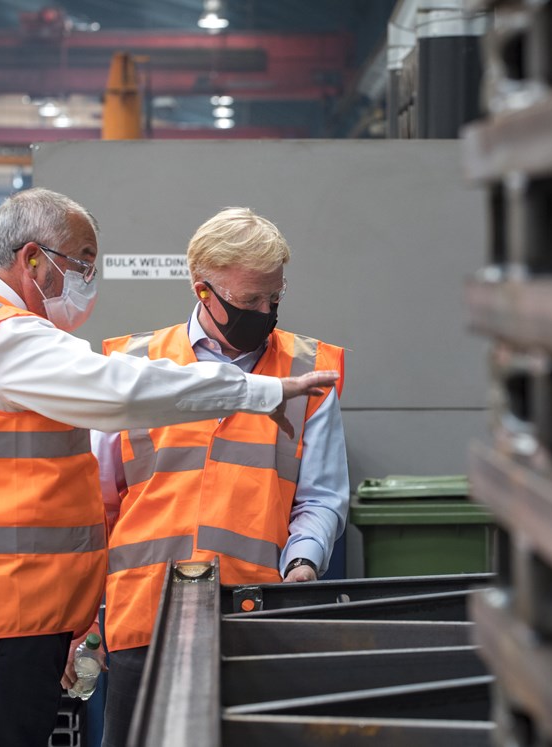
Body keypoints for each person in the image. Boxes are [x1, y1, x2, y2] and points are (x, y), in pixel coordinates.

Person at [0, 189, 337, 747]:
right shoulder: (2, 336)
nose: (87, 282)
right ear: (33, 260)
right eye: (82, 264)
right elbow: (119, 394)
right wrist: (257, 391)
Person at [93, 206, 348, 746]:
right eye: (249, 300)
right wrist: (84, 615)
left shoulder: (309, 370)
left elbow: (321, 497)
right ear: (203, 291)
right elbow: (99, 503)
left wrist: (303, 562)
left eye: (274, 298)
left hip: (253, 615)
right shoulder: (134, 366)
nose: (265, 311)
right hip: (142, 616)